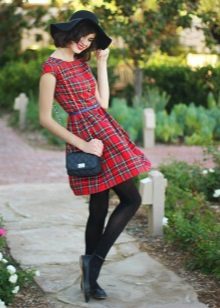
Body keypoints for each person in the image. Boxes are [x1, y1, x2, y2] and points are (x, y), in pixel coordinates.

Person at [39, 10, 151, 303]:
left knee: (129, 199)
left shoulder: (81, 64)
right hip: (84, 136)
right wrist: (84, 145)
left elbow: (102, 102)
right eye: (83, 37)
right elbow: (45, 119)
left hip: (104, 129)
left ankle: (92, 268)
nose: (85, 44)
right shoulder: (51, 68)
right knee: (101, 207)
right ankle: (92, 272)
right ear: (70, 31)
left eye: (90, 41)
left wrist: (102, 63)